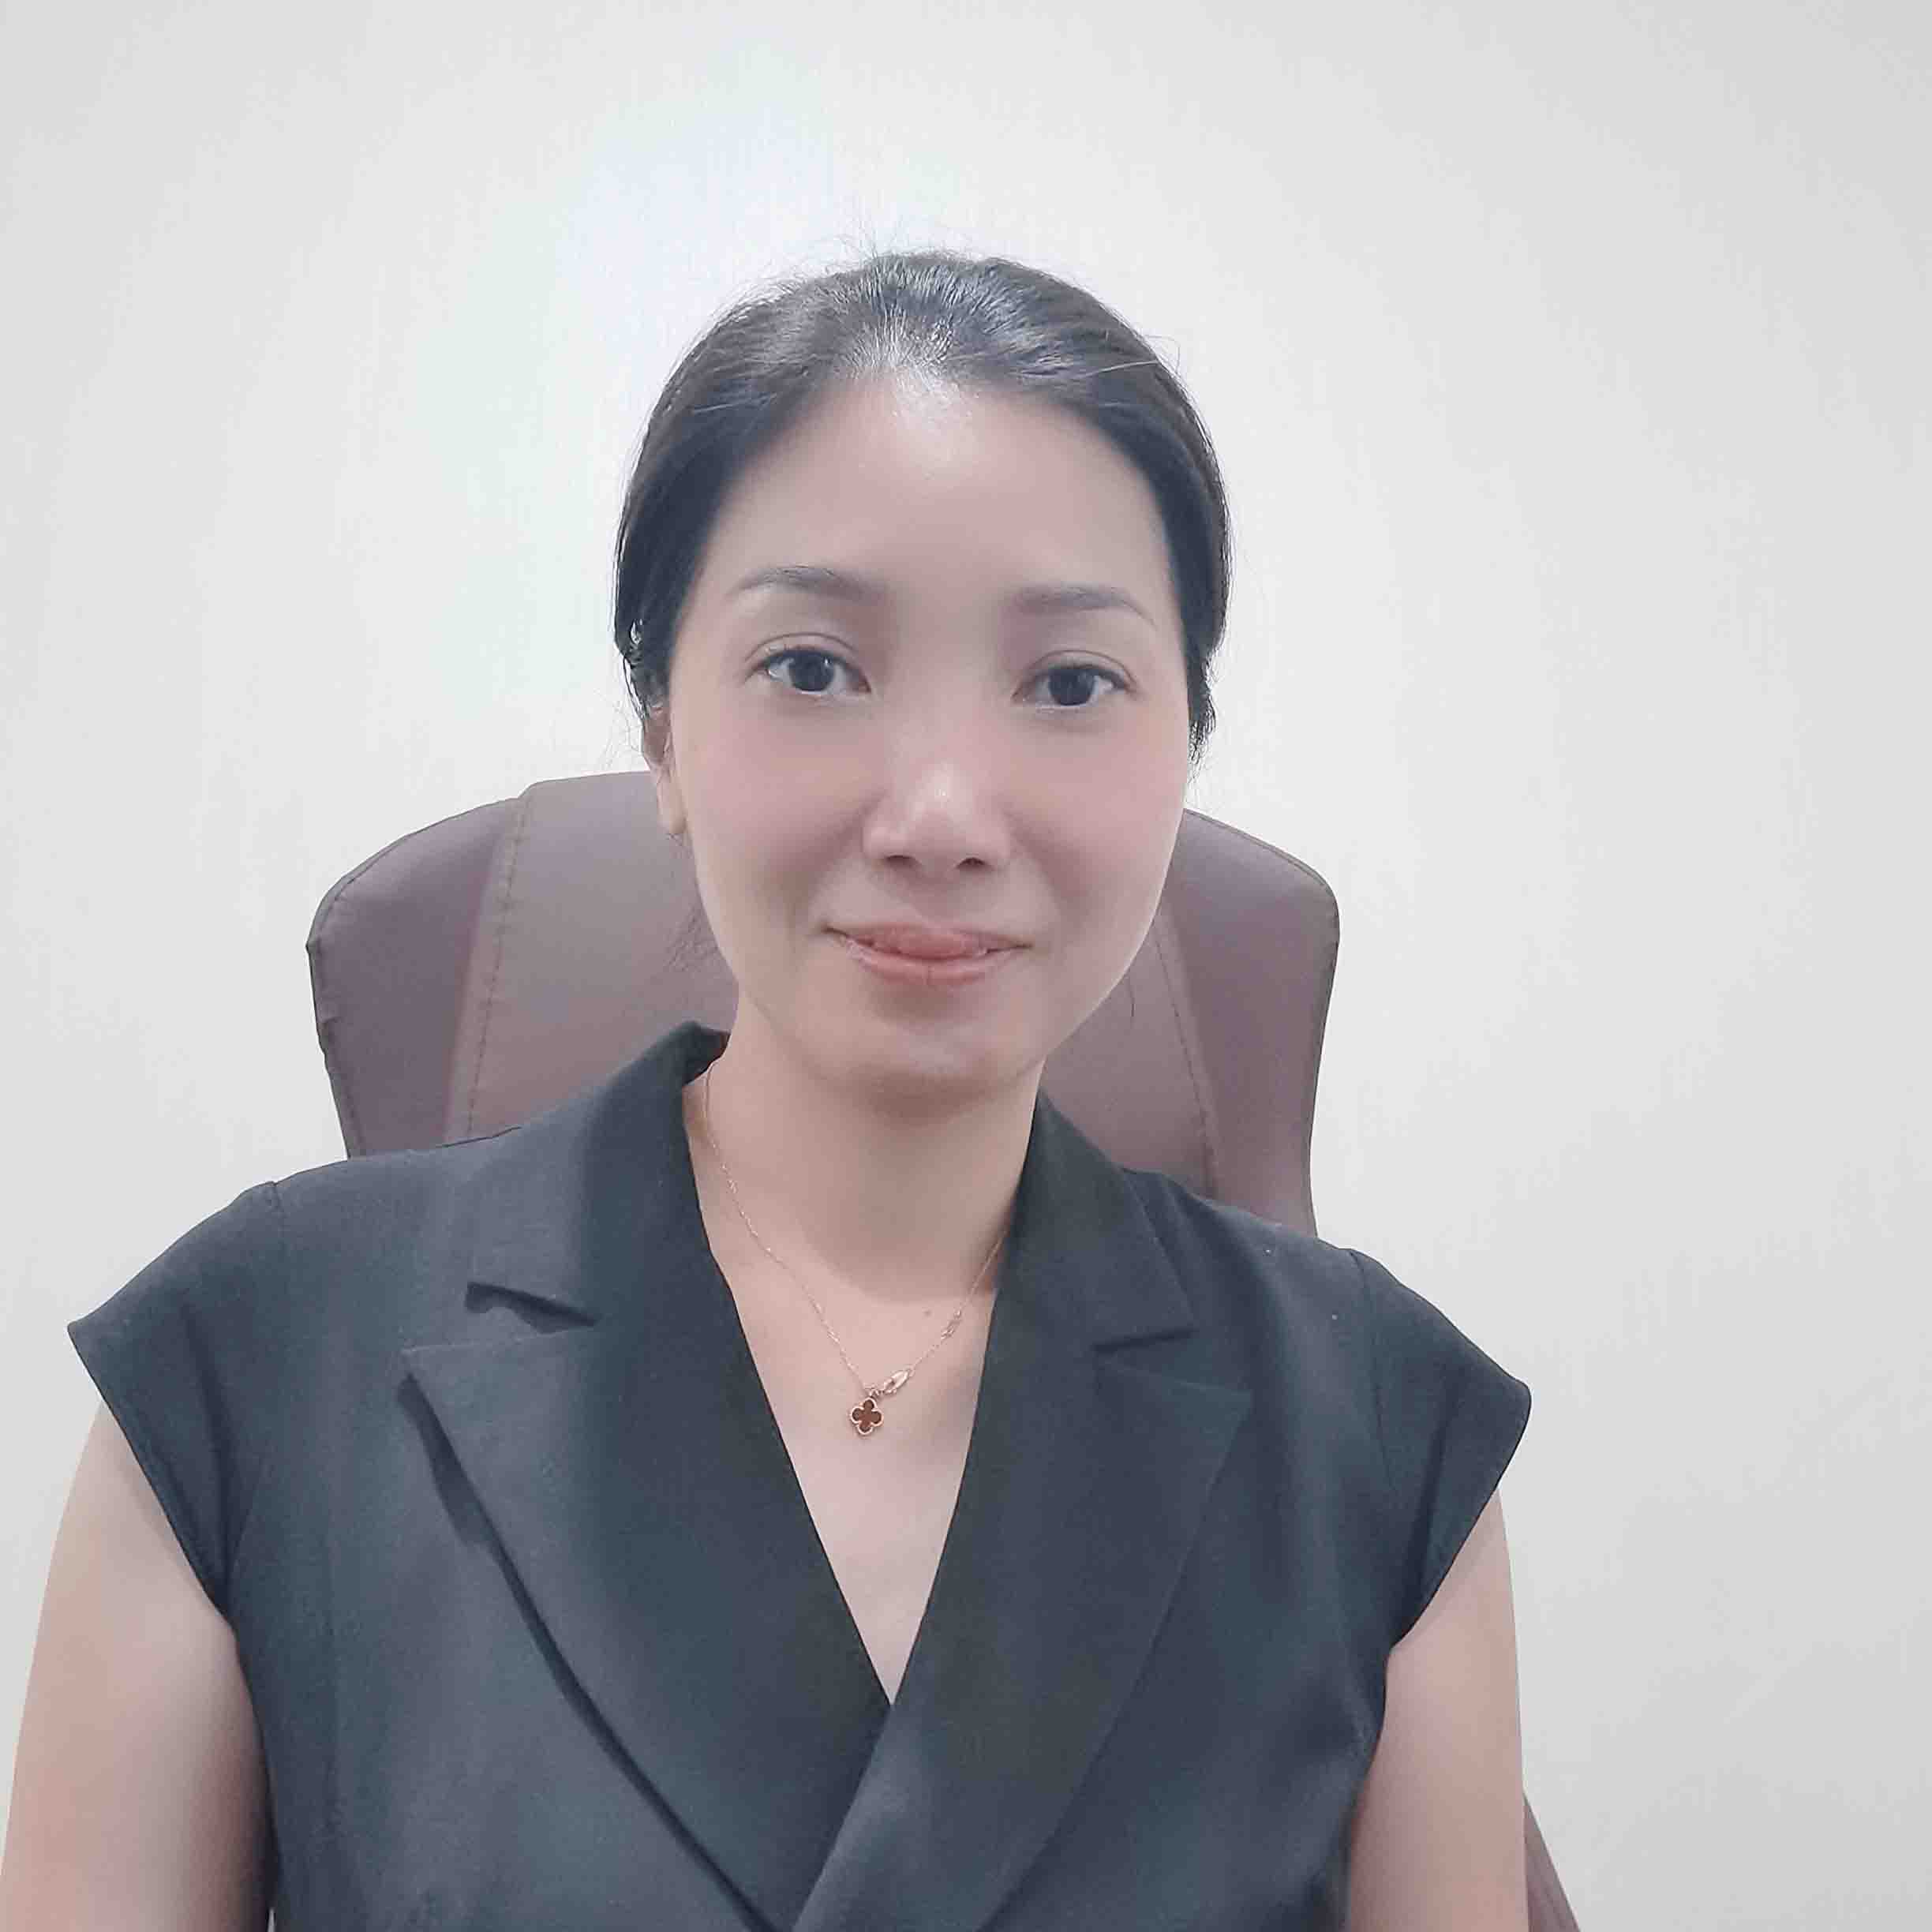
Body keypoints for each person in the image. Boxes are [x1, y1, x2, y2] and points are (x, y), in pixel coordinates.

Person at [1, 251, 1532, 1930]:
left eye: (1069, 684)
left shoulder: (1385, 1446)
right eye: (814, 668)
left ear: (1189, 748)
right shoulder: (246, 1371)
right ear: (662, 728)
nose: (940, 814)